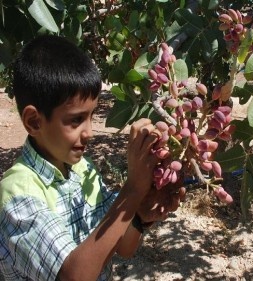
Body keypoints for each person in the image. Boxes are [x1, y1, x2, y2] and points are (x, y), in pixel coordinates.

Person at [0, 35, 185, 281]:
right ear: (34, 121)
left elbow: (123, 247)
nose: (88, 132)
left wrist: (140, 213)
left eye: (91, 116)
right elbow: (73, 276)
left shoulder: (82, 170)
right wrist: (133, 189)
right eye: (76, 119)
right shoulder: (17, 195)